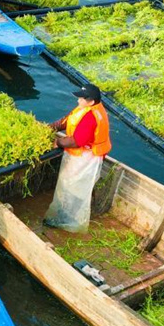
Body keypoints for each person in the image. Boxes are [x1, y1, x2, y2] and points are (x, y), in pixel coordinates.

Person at [44, 84, 112, 233]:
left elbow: (76, 141)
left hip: (86, 157)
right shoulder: (85, 109)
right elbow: (67, 121)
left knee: (72, 185)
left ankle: (67, 221)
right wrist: (48, 127)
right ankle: (66, 213)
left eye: (81, 99)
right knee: (72, 183)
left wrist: (58, 142)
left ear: (91, 102)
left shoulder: (91, 116)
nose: (78, 101)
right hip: (80, 154)